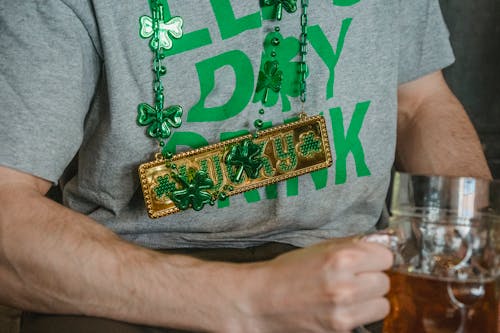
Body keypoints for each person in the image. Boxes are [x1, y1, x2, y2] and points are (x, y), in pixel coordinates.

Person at [0, 1, 491, 332]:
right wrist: (252, 301)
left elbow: (420, 101)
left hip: (356, 266)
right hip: (130, 278)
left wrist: (468, 243)